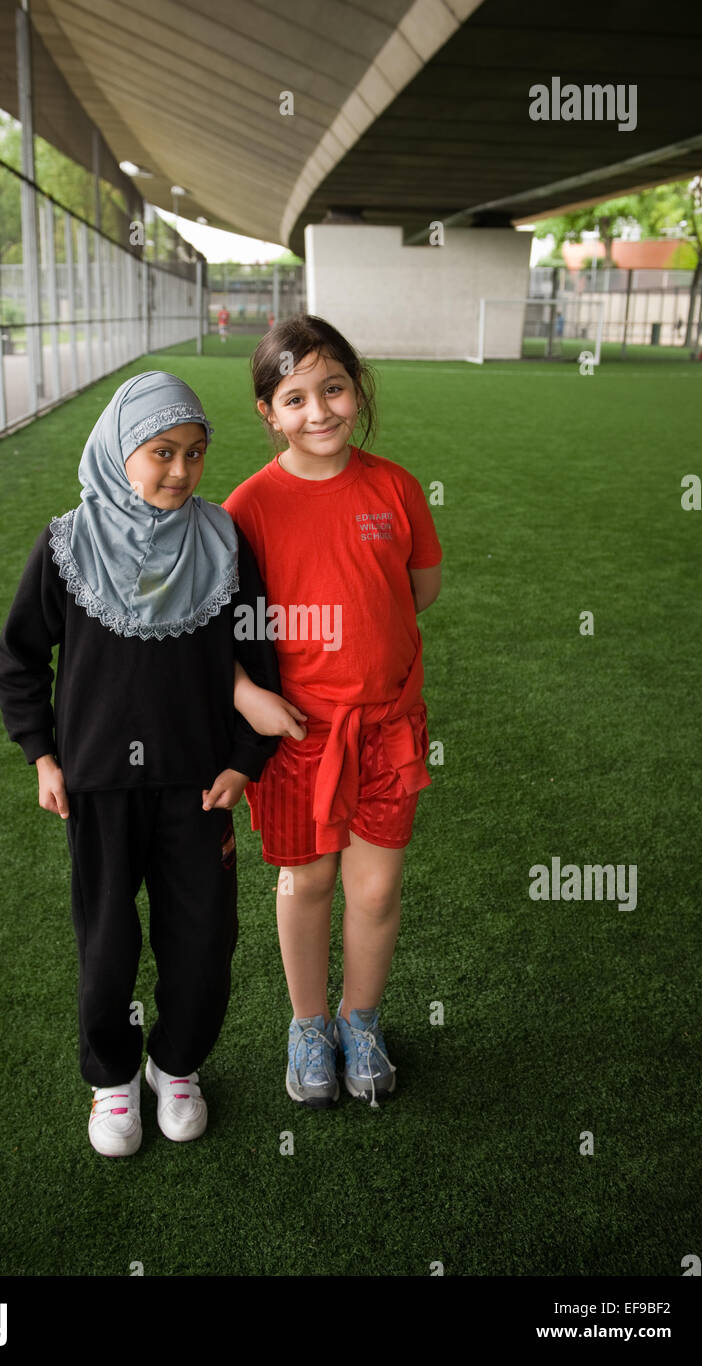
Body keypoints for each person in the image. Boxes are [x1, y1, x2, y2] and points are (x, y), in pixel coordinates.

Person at [0, 372, 300, 1157]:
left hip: (199, 789)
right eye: (160, 451)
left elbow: (254, 653)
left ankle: (177, 1064)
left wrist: (244, 761)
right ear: (117, 450)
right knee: (106, 944)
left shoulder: (222, 540)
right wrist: (42, 757)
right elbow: (21, 661)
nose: (179, 470)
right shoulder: (66, 542)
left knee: (203, 941)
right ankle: (112, 1078)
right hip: (97, 787)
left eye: (195, 454)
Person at [226, 315, 443, 1110]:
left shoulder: (394, 487)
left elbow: (418, 592)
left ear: (355, 390)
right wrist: (252, 695)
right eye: (294, 398)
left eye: (333, 388)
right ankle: (308, 1024)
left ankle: (361, 1020)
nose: (318, 412)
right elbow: (219, 629)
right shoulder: (246, 506)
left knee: (376, 890)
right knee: (306, 880)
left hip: (385, 724)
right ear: (268, 413)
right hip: (296, 737)